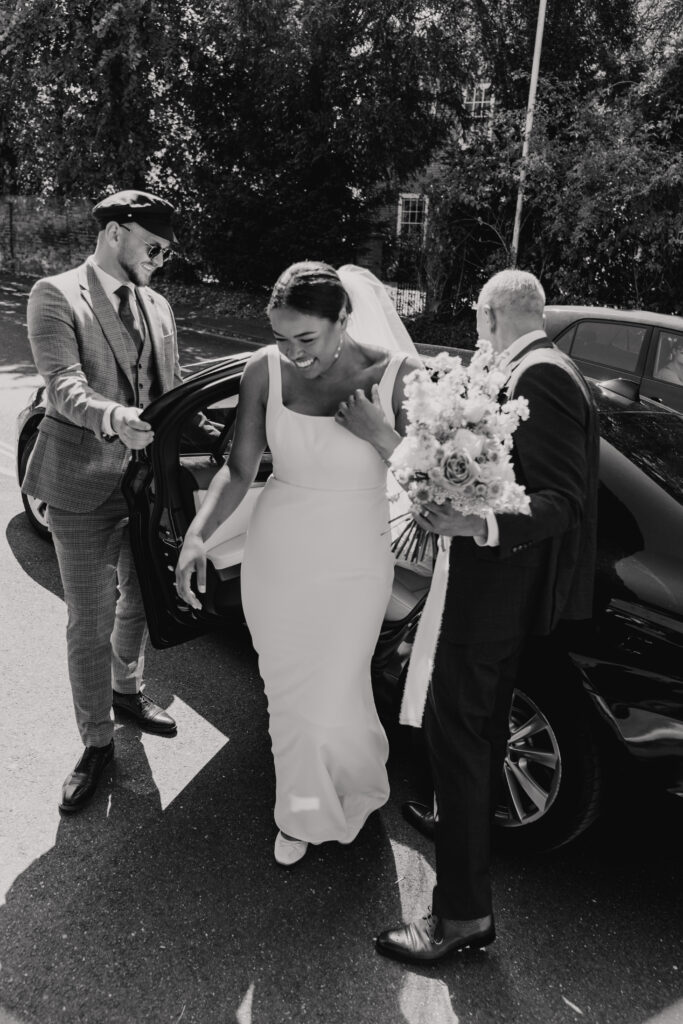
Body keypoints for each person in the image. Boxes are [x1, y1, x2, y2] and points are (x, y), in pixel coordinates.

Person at [375, 268, 599, 963]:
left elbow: (562, 500)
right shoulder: (535, 367)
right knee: (469, 733)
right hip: (493, 593)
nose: (475, 331)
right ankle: (450, 814)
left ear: (491, 312)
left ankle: (460, 915)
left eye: (477, 317)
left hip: (493, 597)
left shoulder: (542, 378)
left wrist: (475, 526)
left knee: (459, 736)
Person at [176, 262, 420, 865]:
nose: (292, 351)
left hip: (356, 556)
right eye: (282, 337)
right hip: (279, 549)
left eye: (305, 338)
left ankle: (355, 783)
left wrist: (379, 434)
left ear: (343, 320)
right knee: (288, 692)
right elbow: (239, 470)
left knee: (336, 685)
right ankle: (301, 810)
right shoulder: (263, 369)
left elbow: (429, 486)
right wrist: (196, 535)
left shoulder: (397, 378)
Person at [23, 189, 216, 814]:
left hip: (146, 483)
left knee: (140, 596)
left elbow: (172, 385)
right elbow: (63, 387)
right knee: (89, 616)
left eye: (166, 251)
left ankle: (128, 690)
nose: (160, 259)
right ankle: (96, 742)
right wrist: (114, 416)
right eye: (153, 245)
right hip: (81, 481)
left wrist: (228, 430)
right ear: (116, 232)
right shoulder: (55, 294)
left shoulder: (157, 304)